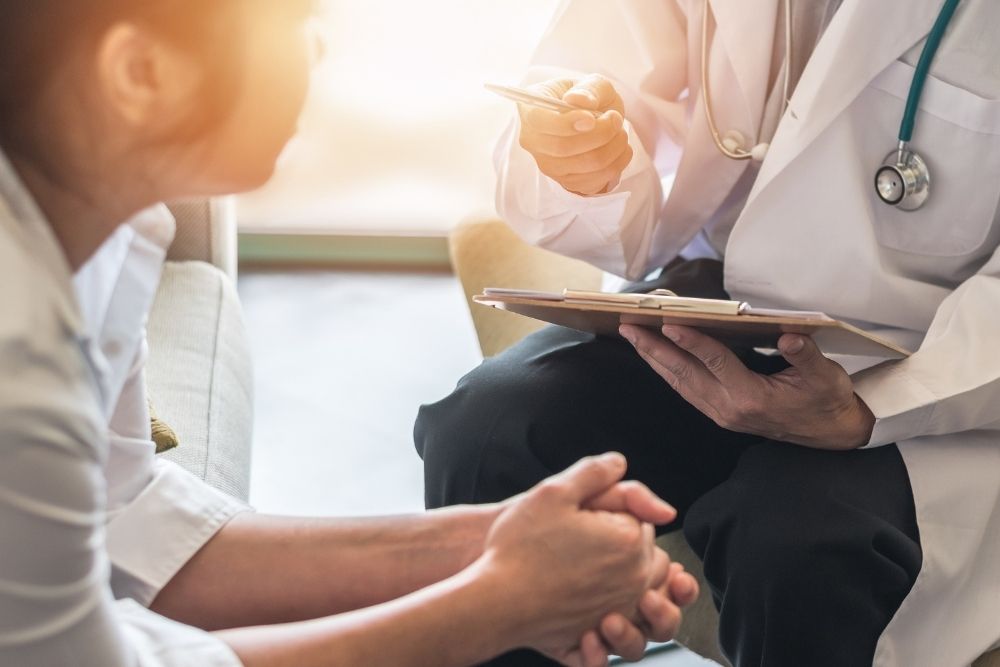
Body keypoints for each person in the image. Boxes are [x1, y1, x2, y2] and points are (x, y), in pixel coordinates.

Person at [0, 2, 703, 666]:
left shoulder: (115, 232)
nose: (318, 45)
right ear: (140, 72)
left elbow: (129, 523)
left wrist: (491, 538)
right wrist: (495, 606)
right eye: (297, 16)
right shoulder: (19, 344)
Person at [417, 1, 1000, 666]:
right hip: (729, 288)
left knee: (796, 544)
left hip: (941, 352)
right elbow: (600, 66)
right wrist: (583, 148)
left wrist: (874, 408)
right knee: (487, 431)